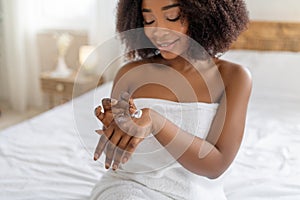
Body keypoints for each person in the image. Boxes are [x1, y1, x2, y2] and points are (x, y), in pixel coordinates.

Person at [91, 0, 251, 199]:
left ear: (203, 15)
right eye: (149, 20)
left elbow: (215, 166)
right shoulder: (130, 73)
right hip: (128, 187)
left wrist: (155, 121)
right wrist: (116, 132)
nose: (158, 31)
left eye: (172, 17)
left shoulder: (233, 77)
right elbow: (119, 160)